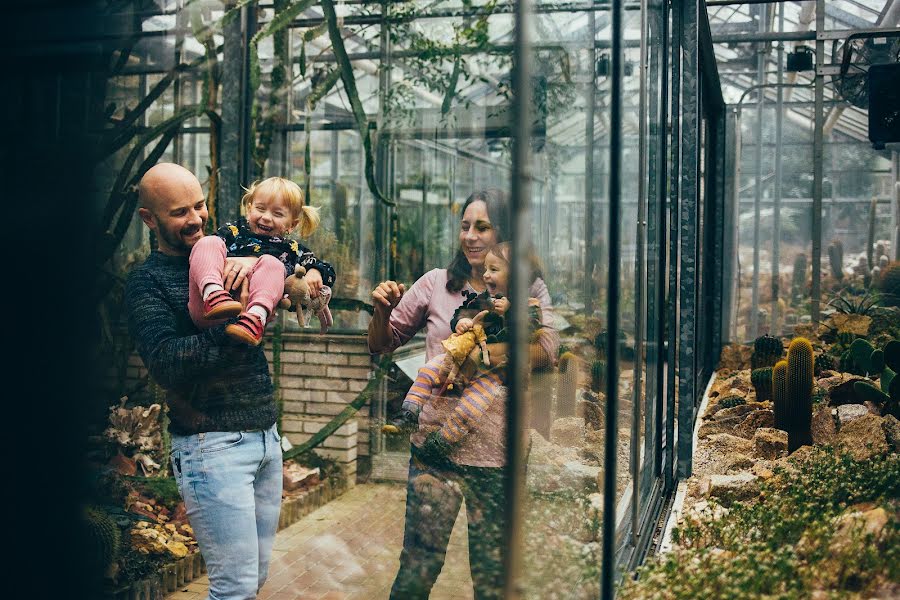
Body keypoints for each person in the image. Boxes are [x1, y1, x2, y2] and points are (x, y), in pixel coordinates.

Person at [368, 189, 559, 599]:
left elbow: (547, 350)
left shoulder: (530, 288)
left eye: (483, 227)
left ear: (504, 235)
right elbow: (383, 343)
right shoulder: (437, 283)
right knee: (419, 565)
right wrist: (383, 309)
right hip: (435, 454)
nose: (471, 236)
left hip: (498, 456)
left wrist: (482, 354)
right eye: (465, 226)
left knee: (491, 575)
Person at [124, 163, 283, 600]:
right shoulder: (147, 283)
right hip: (211, 448)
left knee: (254, 581)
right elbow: (166, 363)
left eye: (200, 205)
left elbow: (295, 270)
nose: (196, 219)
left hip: (266, 437)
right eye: (179, 212)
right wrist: (236, 327)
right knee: (233, 590)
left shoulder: (231, 255)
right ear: (148, 219)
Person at [384, 243, 546, 468]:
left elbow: (529, 333)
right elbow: (462, 311)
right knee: (429, 369)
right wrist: (461, 321)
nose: (486, 274)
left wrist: (511, 312)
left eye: (494, 269)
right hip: (461, 358)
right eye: (487, 269)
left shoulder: (529, 306)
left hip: (492, 372)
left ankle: (442, 442)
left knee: (470, 406)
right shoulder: (485, 299)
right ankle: (409, 412)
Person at [188, 176, 335, 346]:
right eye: (260, 208)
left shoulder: (292, 249)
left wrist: (314, 271)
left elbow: (327, 270)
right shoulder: (233, 232)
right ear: (249, 209)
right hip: (206, 309)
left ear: (292, 224)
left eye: (277, 214)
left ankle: (255, 318)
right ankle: (213, 293)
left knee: (272, 264)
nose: (266, 217)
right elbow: (205, 256)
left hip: (246, 317)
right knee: (208, 242)